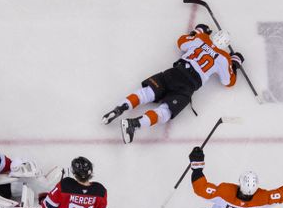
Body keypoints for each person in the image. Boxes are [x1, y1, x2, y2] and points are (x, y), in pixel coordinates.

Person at [101, 24, 244, 143]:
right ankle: (134, 124)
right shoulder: (224, 58)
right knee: (165, 112)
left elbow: (181, 43)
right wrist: (235, 63)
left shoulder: (202, 38)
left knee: (146, 93)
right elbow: (228, 82)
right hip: (188, 85)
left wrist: (197, 32)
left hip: (174, 73)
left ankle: (119, 109)